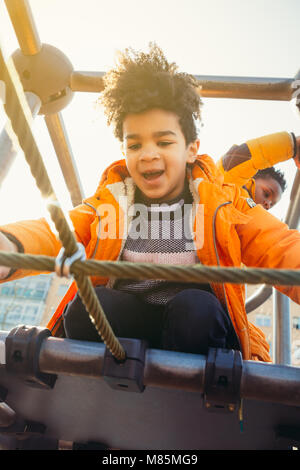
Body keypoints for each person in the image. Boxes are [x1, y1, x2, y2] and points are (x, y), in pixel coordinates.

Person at [0, 44, 300, 363]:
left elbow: (277, 245)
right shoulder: (115, 199)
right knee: (90, 305)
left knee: (195, 308)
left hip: (196, 332)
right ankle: (109, 389)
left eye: (164, 141)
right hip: (131, 326)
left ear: (191, 149)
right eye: (135, 144)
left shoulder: (223, 199)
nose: (148, 154)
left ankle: (186, 395)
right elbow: (58, 230)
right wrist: (9, 247)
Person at [217, 131, 300, 209]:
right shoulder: (230, 185)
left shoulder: (249, 218)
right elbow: (239, 158)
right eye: (266, 194)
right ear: (250, 177)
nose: (267, 204)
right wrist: (293, 146)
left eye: (271, 205)